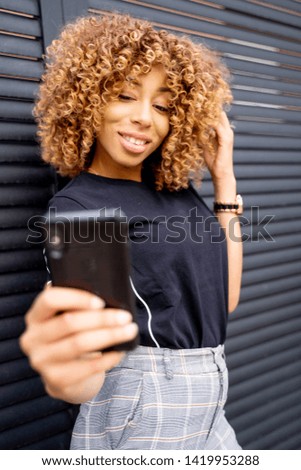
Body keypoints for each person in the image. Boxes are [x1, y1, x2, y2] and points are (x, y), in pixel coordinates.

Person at [20, 13, 243, 450]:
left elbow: (225, 299)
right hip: (145, 411)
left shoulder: (179, 194)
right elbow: (85, 374)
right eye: (124, 95)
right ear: (87, 101)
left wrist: (225, 181)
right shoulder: (80, 209)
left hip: (212, 404)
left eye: (162, 105)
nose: (144, 118)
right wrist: (68, 374)